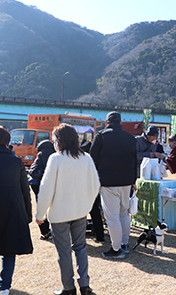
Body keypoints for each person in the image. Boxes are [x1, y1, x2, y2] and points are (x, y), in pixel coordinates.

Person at [36, 124, 100, 295]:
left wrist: (40, 214)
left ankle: (68, 287)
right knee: (80, 248)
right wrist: (87, 204)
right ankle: (84, 285)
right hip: (80, 212)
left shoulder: (56, 159)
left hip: (59, 215)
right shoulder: (86, 157)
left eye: (54, 139)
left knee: (64, 252)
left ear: (59, 141)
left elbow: (46, 188)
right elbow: (96, 185)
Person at [90, 111, 137, 258]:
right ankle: (124, 244)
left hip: (108, 182)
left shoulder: (101, 136)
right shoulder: (130, 138)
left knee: (112, 216)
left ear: (106, 123)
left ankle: (116, 249)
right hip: (127, 181)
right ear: (120, 123)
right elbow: (135, 161)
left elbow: (92, 159)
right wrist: (133, 181)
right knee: (124, 213)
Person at [0, 126, 33, 295]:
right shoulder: (16, 161)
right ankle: (4, 286)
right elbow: (25, 190)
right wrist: (27, 214)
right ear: (7, 142)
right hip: (13, 208)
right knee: (9, 249)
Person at [28, 139, 56, 240]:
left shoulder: (41, 152)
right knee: (47, 206)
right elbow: (48, 170)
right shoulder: (50, 153)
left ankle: (45, 232)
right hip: (41, 183)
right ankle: (46, 232)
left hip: (34, 182)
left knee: (41, 205)